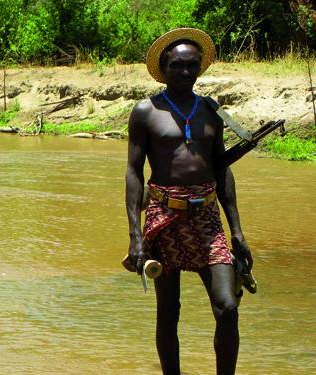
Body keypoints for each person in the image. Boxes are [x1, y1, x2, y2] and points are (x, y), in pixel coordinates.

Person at [125, 28, 253, 375]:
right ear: (163, 68)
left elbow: (222, 169)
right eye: (178, 66)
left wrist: (237, 231)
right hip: (163, 217)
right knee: (169, 312)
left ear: (200, 68)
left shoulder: (211, 111)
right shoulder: (145, 111)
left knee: (227, 307)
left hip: (207, 219)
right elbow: (134, 173)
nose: (185, 73)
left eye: (192, 66)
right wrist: (135, 236)